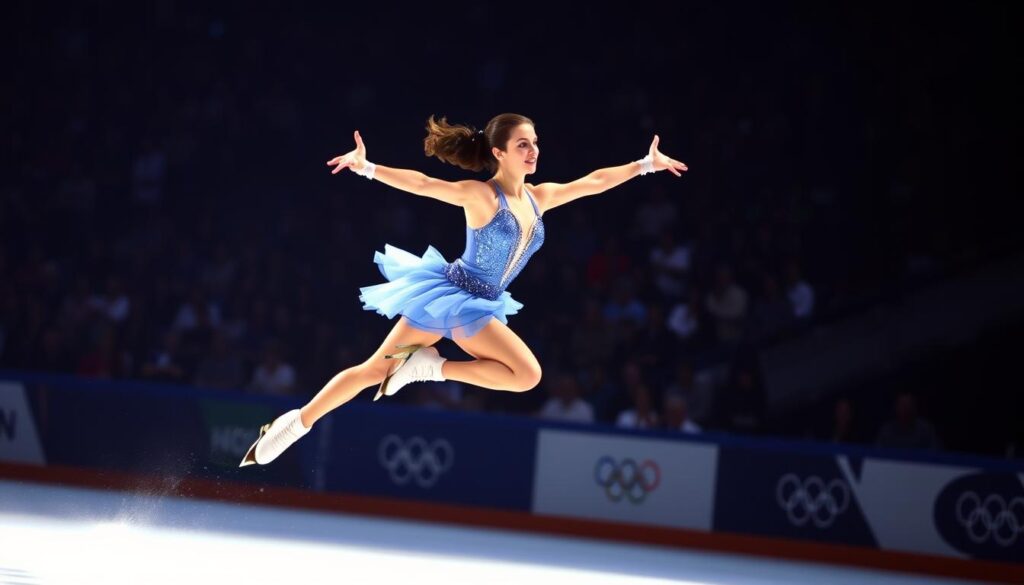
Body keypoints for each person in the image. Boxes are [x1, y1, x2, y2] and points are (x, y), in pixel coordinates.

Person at [241, 113, 687, 466]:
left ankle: (293, 423)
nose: (533, 150)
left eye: (535, 142)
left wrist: (645, 165)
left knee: (375, 371)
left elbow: (593, 182)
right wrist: (368, 168)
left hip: (455, 299)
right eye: (522, 144)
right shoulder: (482, 195)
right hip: (461, 302)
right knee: (527, 375)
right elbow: (424, 184)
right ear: (499, 152)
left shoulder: (541, 196)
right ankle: (323, 413)